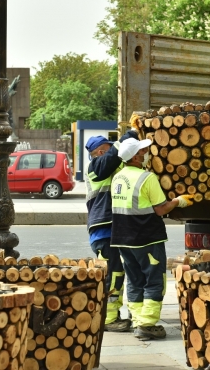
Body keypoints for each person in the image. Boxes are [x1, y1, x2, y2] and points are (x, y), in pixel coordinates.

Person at [110, 138, 193, 340]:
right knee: (154, 281)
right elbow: (160, 208)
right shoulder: (146, 178)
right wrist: (178, 202)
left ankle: (139, 320)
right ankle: (147, 324)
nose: (146, 152)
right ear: (136, 156)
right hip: (145, 238)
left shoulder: (118, 177)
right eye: (142, 150)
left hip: (122, 239)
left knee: (135, 280)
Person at [84, 135, 131, 332]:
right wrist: (126, 138)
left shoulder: (109, 165)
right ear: (101, 153)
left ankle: (112, 314)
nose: (115, 151)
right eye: (110, 148)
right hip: (103, 229)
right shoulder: (95, 167)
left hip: (113, 227)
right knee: (113, 274)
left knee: (118, 272)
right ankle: (109, 318)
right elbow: (112, 158)